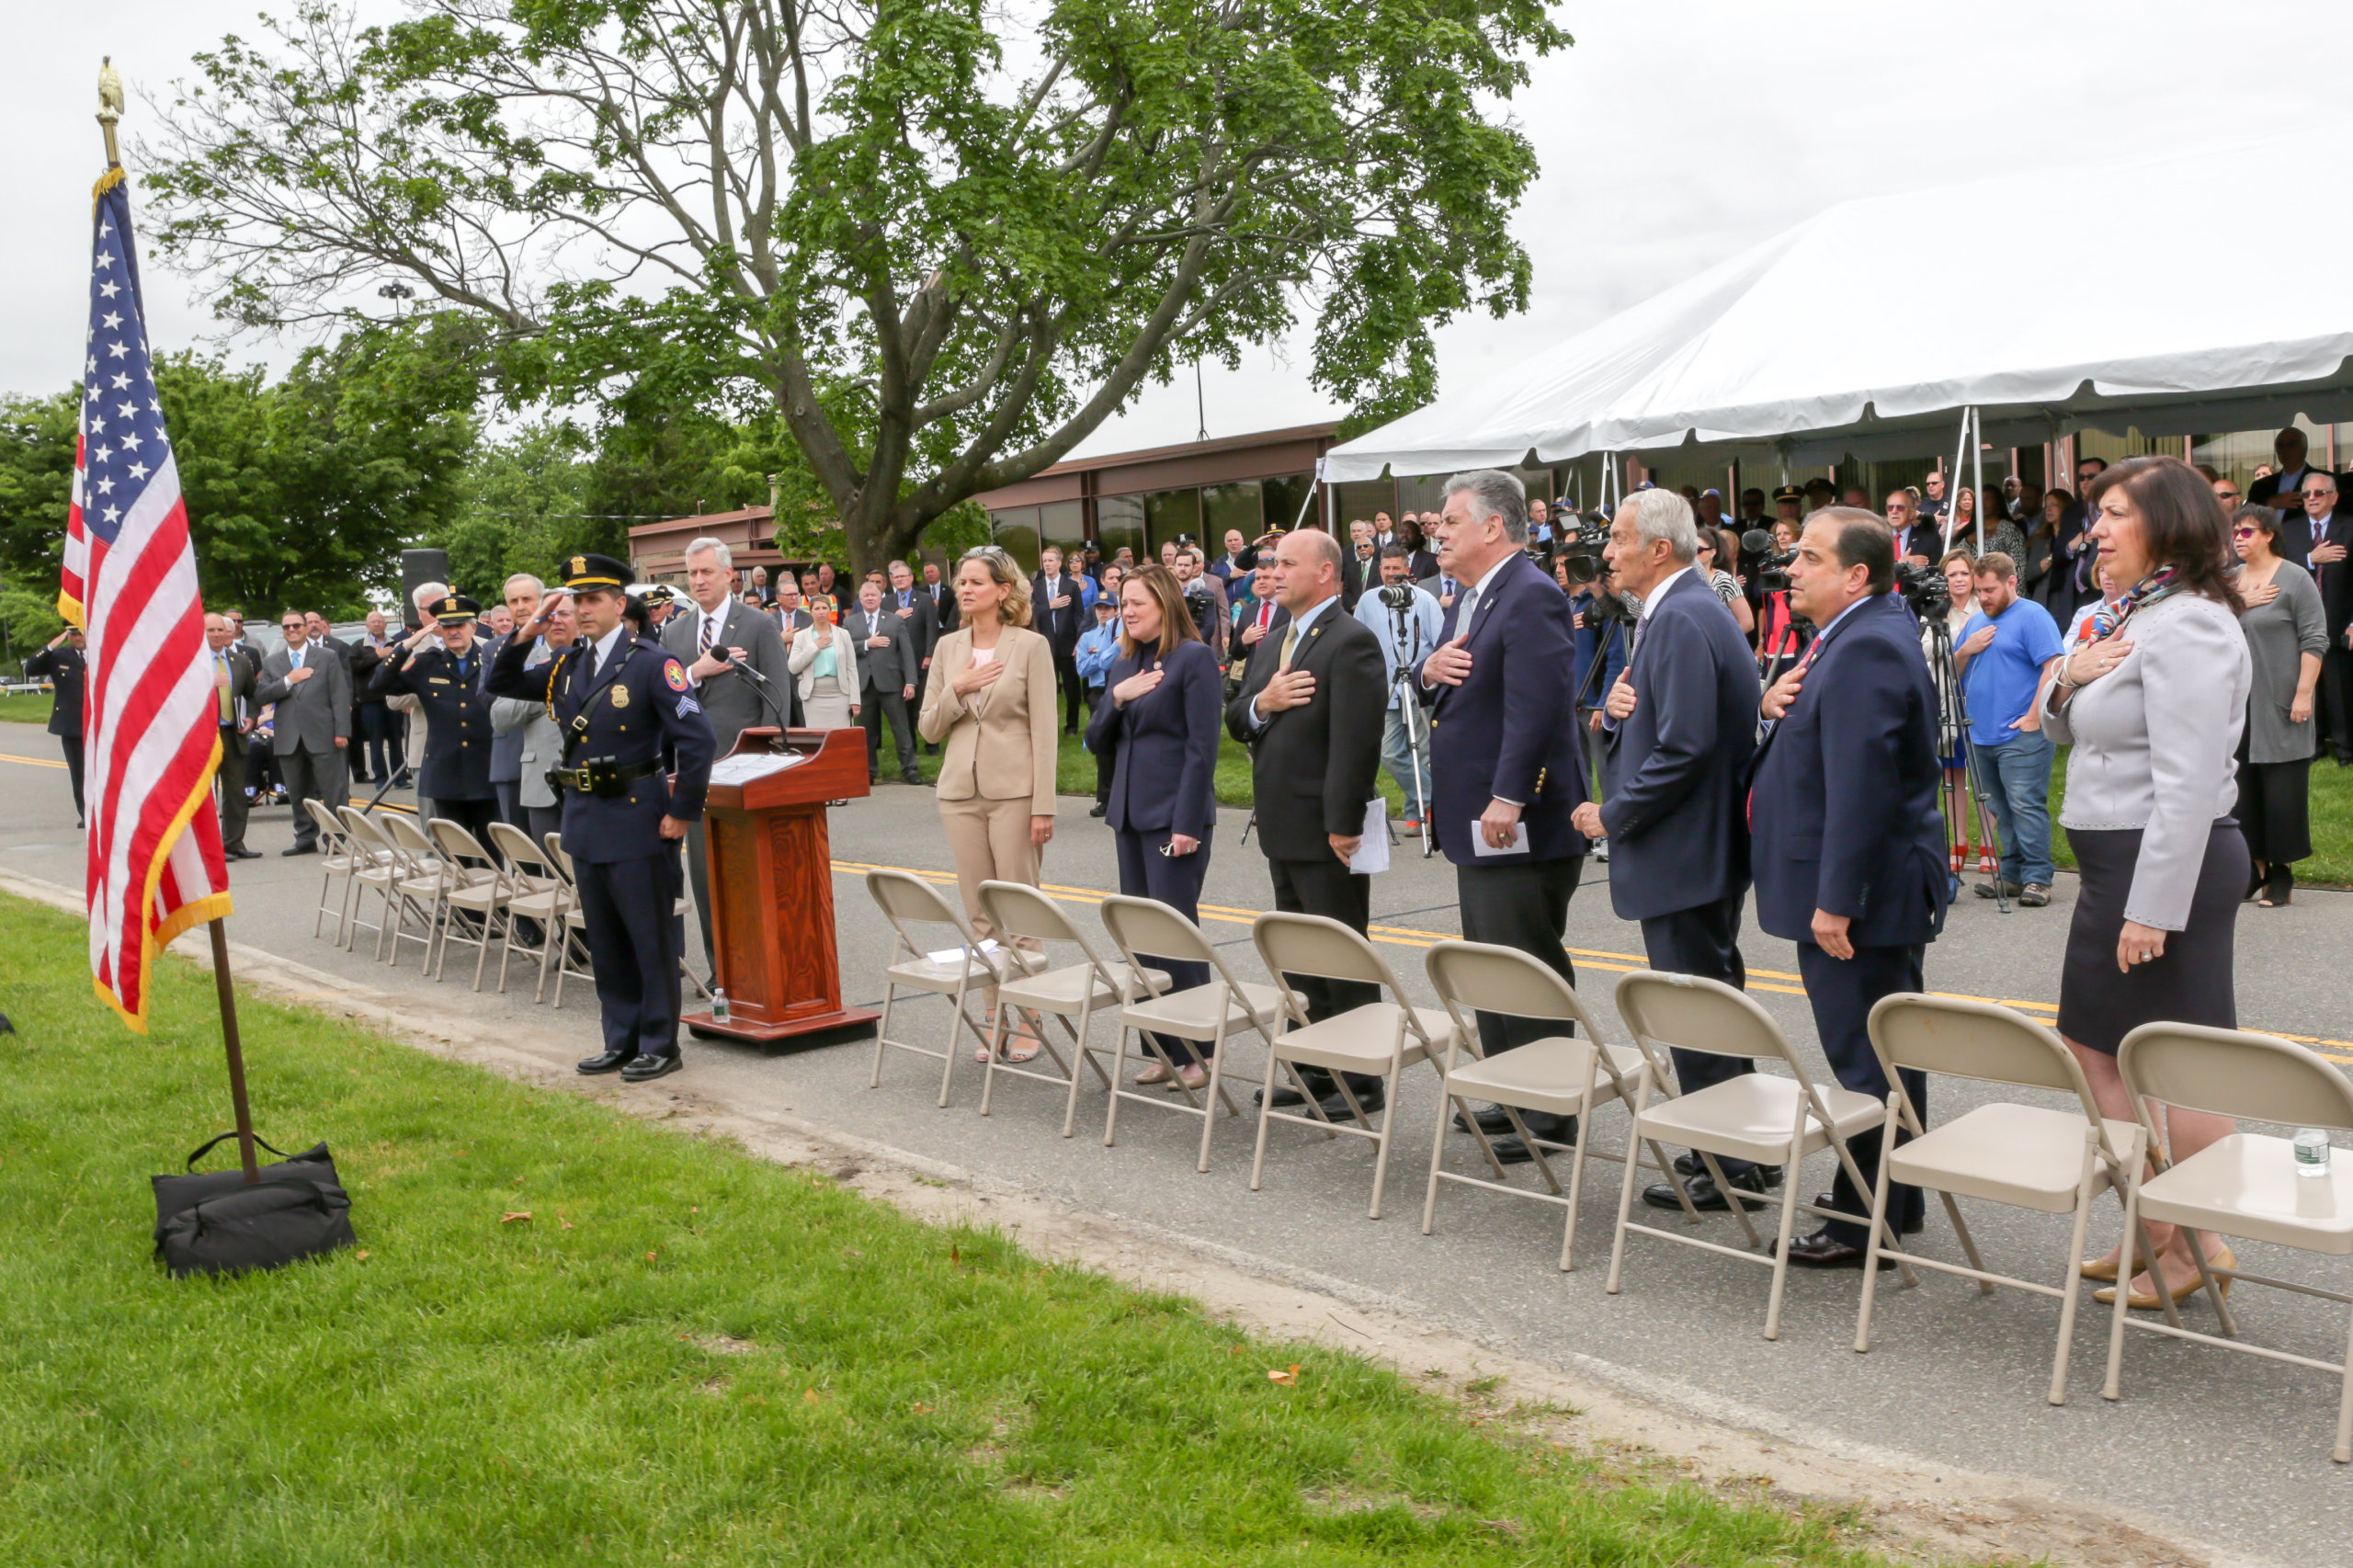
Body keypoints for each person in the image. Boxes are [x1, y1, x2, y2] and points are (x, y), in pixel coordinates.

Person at [2040, 456, 2251, 1310]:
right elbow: (2057, 725)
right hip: (2113, 862)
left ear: (2167, 525)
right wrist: (2068, 676)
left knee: (2181, 1062)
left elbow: (2191, 782)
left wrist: (2153, 908)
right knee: (2095, 1047)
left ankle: (2196, 1241)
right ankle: (2159, 1228)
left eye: (2115, 513)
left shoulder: (2191, 624)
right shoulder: (2121, 616)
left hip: (2167, 864)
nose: (2095, 530)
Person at [1750, 508, 1949, 1267]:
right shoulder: (1857, 632)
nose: (1790, 568)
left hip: (1858, 897)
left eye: (1808, 556)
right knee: (1883, 1051)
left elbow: (1862, 787)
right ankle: (1893, 1198)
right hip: (1866, 886)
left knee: (1865, 1062)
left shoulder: (1865, 643)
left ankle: (1867, 1227)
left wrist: (1837, 899)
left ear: (1857, 574)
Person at [1572, 489, 1767, 1200]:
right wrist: (1620, 714)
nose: (1608, 552)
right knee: (1705, 1000)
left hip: (1687, 848)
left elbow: (1687, 749)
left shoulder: (1682, 614)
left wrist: (1611, 814)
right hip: (1693, 846)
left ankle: (1731, 1164)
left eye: (1620, 538)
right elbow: (1674, 726)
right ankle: (1731, 1149)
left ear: (1659, 548)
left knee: (1697, 1005)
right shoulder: (1675, 612)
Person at [1415, 470, 1590, 1148]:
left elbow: (1539, 706)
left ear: (1493, 527)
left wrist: (1510, 795)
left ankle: (1549, 1112)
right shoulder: (1476, 597)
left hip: (1518, 818)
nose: (1440, 530)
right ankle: (1512, 1087)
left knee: (1525, 958)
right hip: (1480, 816)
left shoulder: (1531, 595)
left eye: (1451, 520)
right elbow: (1460, 681)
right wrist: (1427, 673)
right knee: (1492, 954)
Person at [490, 555, 714, 1082]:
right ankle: (621, 1039)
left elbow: (697, 740)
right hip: (586, 819)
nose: (583, 611)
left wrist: (683, 813)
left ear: (619, 605)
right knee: (607, 942)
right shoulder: (569, 666)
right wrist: (530, 626)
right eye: (575, 601)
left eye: (593, 601)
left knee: (649, 937)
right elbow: (499, 680)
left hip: (639, 817)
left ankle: (660, 1043)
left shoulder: (652, 663)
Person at [1228, 527, 1389, 1121]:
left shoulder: (1350, 641)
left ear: (1325, 572)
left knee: (1341, 952)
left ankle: (1362, 1076)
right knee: (1299, 954)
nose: (1273, 571)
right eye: (1271, 563)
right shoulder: (1272, 642)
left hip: (1329, 830)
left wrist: (1344, 824)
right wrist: (1262, 703)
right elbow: (1237, 719)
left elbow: (1356, 741)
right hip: (1281, 824)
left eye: (1287, 563)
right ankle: (1317, 1066)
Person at [917, 546, 1059, 1054]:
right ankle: (994, 1014)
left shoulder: (1030, 646)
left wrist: (1045, 804)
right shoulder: (949, 646)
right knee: (980, 914)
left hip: (1015, 793)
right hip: (959, 792)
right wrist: (956, 688)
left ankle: (1030, 1017)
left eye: (977, 582)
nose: (966, 589)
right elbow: (929, 727)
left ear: (1003, 590)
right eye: (961, 582)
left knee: (1018, 908)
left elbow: (1045, 731)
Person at [1086, 565, 1223, 1088]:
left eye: (1138, 603)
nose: (1128, 611)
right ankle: (1160, 1046)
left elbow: (1202, 748)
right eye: (1123, 603)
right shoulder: (1125, 663)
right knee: (1142, 935)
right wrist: (1117, 700)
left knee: (1176, 932)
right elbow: (1098, 741)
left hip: (1174, 816)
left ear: (1165, 604)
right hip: (1128, 812)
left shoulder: (1194, 659)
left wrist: (1187, 821)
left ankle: (1198, 1051)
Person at [656, 537, 800, 971]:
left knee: (753, 876)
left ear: (728, 575)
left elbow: (778, 701)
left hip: (747, 771)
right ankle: (724, 974)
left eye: (706, 572)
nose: (698, 581)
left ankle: (766, 968)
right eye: (692, 573)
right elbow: (663, 697)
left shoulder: (757, 624)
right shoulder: (674, 630)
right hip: (695, 773)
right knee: (706, 878)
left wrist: (769, 763)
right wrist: (695, 672)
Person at [1954, 551, 2065, 907]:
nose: (1983, 597)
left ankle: (2038, 877)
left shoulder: (2033, 616)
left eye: (1989, 590)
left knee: (2024, 804)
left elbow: (2054, 667)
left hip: (2021, 732)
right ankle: (2013, 873)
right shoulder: (1974, 622)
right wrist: (1964, 652)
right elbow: (1953, 673)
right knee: (2000, 806)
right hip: (1980, 732)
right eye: (1979, 590)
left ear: (2011, 582)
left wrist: (2034, 716)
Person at [2229, 504, 2325, 907]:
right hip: (2238, 704)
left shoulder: (2296, 578)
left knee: (2282, 791)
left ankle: (2282, 873)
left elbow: (2315, 639)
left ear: (2269, 535)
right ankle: (2255, 869)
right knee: (2243, 790)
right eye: (2234, 531)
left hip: (2282, 702)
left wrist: (2304, 693)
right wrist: (2241, 603)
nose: (2238, 538)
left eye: (2247, 531)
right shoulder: (2230, 581)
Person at [369, 594, 497, 844]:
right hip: (444, 775)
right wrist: (407, 644)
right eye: (446, 626)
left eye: (459, 625)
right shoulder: (428, 662)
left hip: (486, 772)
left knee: (491, 853)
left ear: (473, 626)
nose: (453, 632)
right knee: (453, 854)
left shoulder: (490, 659)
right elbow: (378, 684)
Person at [1353, 544, 1441, 834]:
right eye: (1387, 569)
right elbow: (1358, 643)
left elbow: (1440, 644)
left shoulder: (1425, 600)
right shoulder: (1368, 600)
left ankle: (1417, 815)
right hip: (1385, 688)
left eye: (1397, 568)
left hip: (1418, 687)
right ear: (1380, 570)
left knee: (1425, 754)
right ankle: (1434, 800)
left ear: (1407, 569)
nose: (1392, 574)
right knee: (1390, 752)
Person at [254, 608, 352, 855]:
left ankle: (336, 838)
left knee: (333, 791)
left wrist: (342, 731)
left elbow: (339, 695)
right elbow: (261, 695)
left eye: (297, 625)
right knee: (298, 792)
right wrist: (289, 680)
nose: (292, 630)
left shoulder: (327, 656)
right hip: (289, 738)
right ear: (282, 631)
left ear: (306, 628)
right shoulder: (272, 662)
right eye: (287, 627)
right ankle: (305, 838)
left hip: (325, 734)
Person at [1927, 550, 1982, 886]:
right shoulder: (1934, 612)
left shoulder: (1983, 607)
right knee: (1952, 773)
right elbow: (1923, 651)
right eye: (1952, 574)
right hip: (1947, 701)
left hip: (1978, 697)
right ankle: (1958, 841)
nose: (1958, 579)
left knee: (1985, 775)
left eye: (1964, 573)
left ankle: (1989, 842)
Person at [845, 578, 922, 785]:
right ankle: (868, 772)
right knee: (867, 733)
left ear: (881, 598)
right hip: (864, 684)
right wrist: (867, 644)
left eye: (873, 595)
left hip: (891, 683)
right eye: (866, 595)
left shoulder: (894, 620)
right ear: (860, 599)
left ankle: (910, 769)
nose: (870, 598)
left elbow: (906, 652)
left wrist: (910, 682)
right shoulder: (850, 623)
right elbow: (844, 649)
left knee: (901, 729)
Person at [484, 574, 544, 828]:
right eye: (513, 601)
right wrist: (548, 692)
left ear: (542, 601)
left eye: (527, 599)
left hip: (557, 758)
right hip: (512, 756)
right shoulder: (494, 649)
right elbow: (489, 699)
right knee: (523, 855)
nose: (520, 606)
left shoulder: (564, 640)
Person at [201, 614, 262, 860]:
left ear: (230, 634)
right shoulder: (192, 662)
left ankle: (234, 842)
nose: (217, 634)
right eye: (211, 630)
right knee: (205, 794)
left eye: (221, 630)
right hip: (204, 735)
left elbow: (253, 695)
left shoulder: (240, 661)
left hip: (233, 733)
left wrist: (252, 718)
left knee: (236, 793)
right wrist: (207, 681)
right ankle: (209, 847)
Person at [22, 626, 87, 827]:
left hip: (100, 724)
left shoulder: (103, 651)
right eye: (73, 634)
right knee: (78, 772)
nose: (78, 637)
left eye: (81, 633)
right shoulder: (59, 655)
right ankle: (86, 814)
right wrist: (51, 645)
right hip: (72, 725)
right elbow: (31, 669)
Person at [1074, 577, 1125, 816]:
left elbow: (1107, 662)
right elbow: (1082, 669)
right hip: (1097, 693)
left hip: (1119, 689)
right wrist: (1108, 653)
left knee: (1123, 742)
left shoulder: (1124, 631)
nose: (1103, 612)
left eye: (1108, 608)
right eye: (1099, 608)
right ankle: (1105, 799)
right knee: (1103, 746)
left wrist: (1100, 659)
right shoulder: (1087, 638)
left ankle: (1125, 796)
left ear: (1116, 610)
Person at [1029, 546, 1087, 736]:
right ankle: (1047, 727)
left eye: (1051, 560)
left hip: (1067, 644)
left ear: (1059, 562)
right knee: (1045, 689)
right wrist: (1049, 606)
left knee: (1072, 689)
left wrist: (1079, 641)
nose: (1047, 564)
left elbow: (1080, 616)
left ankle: (1072, 725)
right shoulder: (1035, 586)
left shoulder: (1070, 586)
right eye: (1044, 561)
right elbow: (1029, 612)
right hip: (1044, 644)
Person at [2247, 426, 2328, 559]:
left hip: (2308, 551)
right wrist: (2270, 503)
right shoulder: (2260, 486)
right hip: (2266, 552)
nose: (2285, 449)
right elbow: (2247, 516)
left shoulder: (2324, 480)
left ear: (2304, 448)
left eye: (2291, 444)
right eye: (2280, 445)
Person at [790, 596, 860, 729]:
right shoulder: (801, 636)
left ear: (830, 611)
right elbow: (793, 667)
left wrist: (855, 700)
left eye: (824, 608)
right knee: (817, 738)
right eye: (817, 608)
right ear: (811, 612)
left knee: (840, 738)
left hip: (840, 694)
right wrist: (814, 647)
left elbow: (851, 668)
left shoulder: (843, 634)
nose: (821, 612)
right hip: (813, 696)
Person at [349, 609, 398, 784]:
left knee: (395, 740)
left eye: (380, 620)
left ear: (385, 624)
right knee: (375, 741)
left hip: (393, 697)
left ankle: (400, 777)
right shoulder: (358, 646)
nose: (377, 624)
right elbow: (354, 667)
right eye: (373, 621)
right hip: (370, 701)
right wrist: (377, 655)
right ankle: (381, 778)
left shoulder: (396, 642)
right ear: (367, 625)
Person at [1693, 527, 1755, 638]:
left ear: (1713, 552)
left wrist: (1722, 641)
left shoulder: (1724, 580)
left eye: (1699, 550)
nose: (1693, 554)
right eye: (1690, 549)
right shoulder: (1685, 578)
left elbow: (1747, 623)